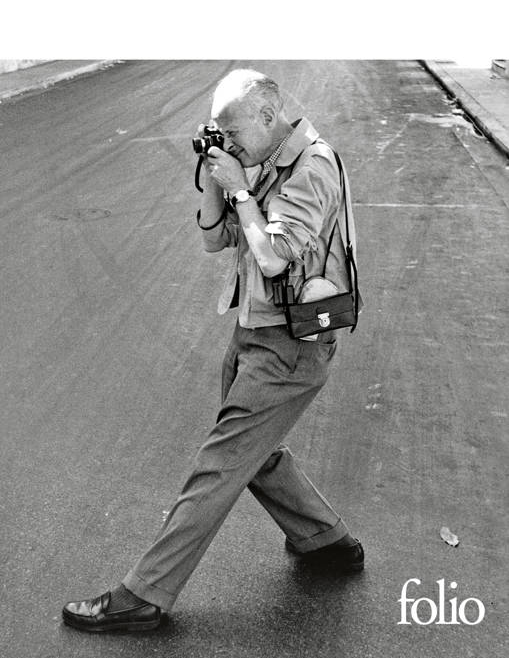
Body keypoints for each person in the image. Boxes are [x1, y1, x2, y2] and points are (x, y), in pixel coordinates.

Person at [62, 68, 363, 634]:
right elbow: (214, 239)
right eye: (219, 133)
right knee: (254, 451)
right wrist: (213, 178)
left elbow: (272, 257)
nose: (230, 142)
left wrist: (242, 190)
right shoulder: (263, 158)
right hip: (255, 330)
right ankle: (326, 540)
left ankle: (143, 595)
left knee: (221, 465)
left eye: (234, 131)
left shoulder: (313, 166)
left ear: (268, 116)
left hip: (292, 343)